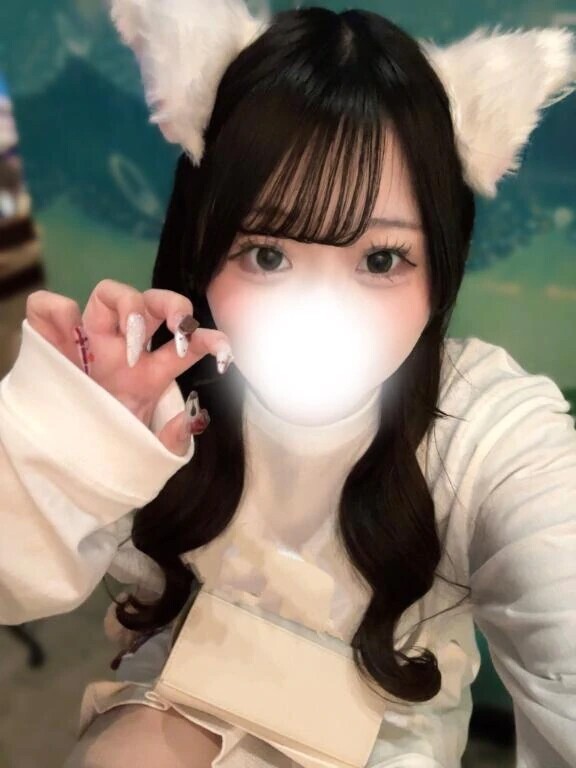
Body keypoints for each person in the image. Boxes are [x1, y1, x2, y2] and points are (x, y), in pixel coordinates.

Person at [0, 3, 575, 767]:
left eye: (380, 260)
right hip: (178, 696)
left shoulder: (485, 426)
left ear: (440, 269)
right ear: (203, 249)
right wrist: (68, 435)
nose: (321, 314)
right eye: (268, 255)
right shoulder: (155, 388)